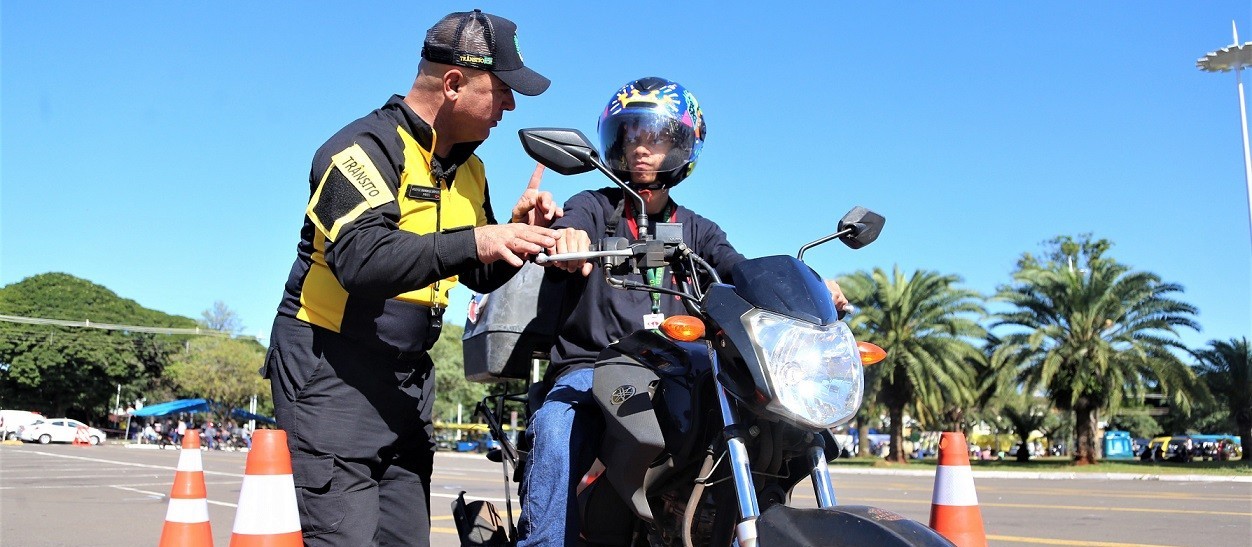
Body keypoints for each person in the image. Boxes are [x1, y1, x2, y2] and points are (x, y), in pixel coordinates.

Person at [263, 9, 560, 546]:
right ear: (453, 83)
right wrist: (479, 238)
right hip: (332, 368)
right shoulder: (359, 150)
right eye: (502, 90)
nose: (510, 107)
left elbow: (472, 271)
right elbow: (362, 259)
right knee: (341, 537)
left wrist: (514, 234)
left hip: (408, 381)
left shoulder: (469, 168)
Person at [516, 77, 850, 546]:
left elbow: (739, 270)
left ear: (683, 146)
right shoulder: (591, 206)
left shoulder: (699, 230)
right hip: (592, 367)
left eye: (654, 137)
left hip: (675, 371)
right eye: (629, 135)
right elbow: (570, 230)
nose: (639, 148)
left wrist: (806, 287)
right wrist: (566, 240)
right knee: (557, 422)